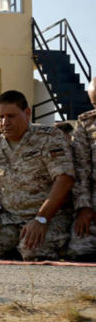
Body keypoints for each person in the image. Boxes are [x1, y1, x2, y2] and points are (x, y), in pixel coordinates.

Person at [0, 90, 74, 261]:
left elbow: (64, 179)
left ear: (27, 113)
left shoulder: (49, 138)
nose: (5, 122)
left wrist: (41, 219)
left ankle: (57, 244)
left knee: (31, 251)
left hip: (49, 217)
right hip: (11, 220)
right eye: (0, 117)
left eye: (11, 116)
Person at [68, 77, 96, 260]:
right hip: (94, 202)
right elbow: (81, 169)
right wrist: (84, 207)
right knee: (79, 248)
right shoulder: (86, 124)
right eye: (95, 103)